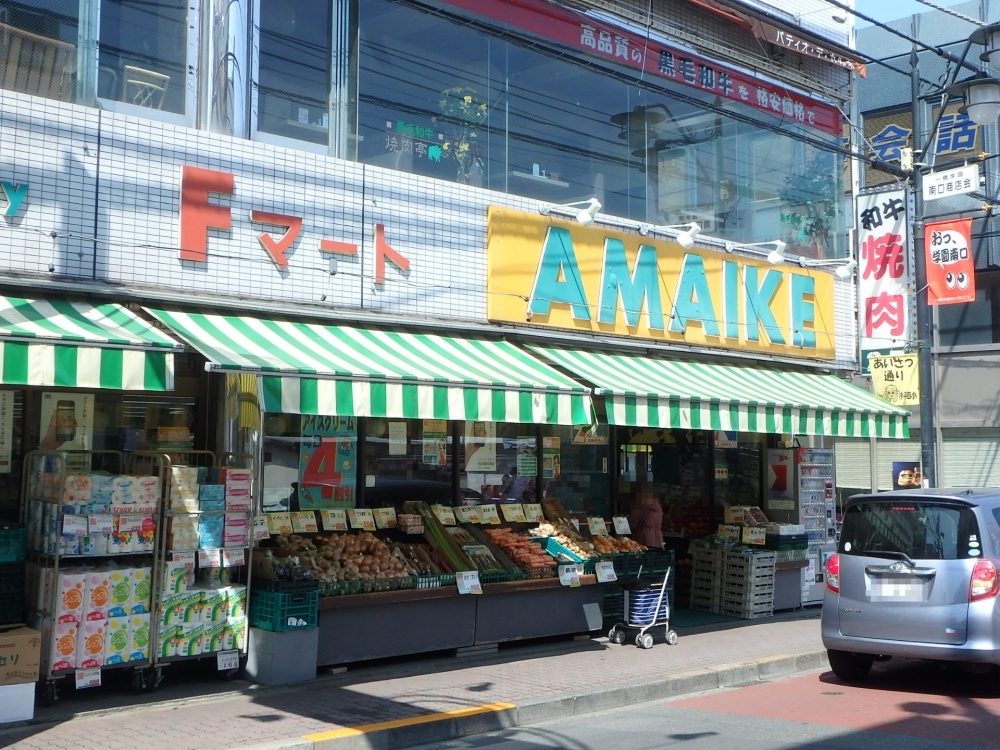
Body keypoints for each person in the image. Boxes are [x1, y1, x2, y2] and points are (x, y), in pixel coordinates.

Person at [628, 484, 664, 549]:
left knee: (644, 556)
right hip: (658, 538)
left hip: (644, 537)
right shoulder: (657, 505)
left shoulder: (640, 505)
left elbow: (632, 523)